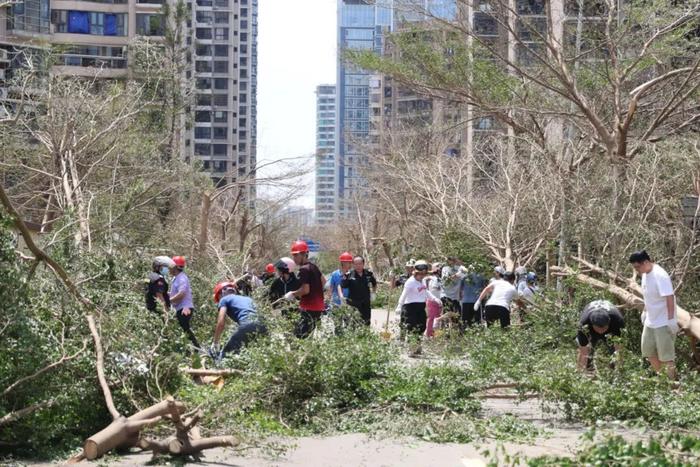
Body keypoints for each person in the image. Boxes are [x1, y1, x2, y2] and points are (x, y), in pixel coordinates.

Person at [630, 250, 679, 379]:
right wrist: (645, 311)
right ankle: (662, 379)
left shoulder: (660, 275)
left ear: (646, 262)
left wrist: (671, 320)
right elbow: (648, 296)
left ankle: (672, 385)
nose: (637, 270)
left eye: (637, 267)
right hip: (651, 321)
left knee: (666, 356)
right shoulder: (645, 274)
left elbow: (669, 297)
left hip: (663, 321)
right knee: (648, 351)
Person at [210, 281, 267, 364]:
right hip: (264, 325)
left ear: (221, 293)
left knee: (226, 356)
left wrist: (215, 342)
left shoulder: (224, 299)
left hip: (248, 324)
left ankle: (218, 370)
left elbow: (221, 322)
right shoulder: (248, 298)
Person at [283, 240, 326, 338]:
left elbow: (305, 290)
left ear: (304, 255)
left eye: (296, 255)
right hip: (318, 307)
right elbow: (323, 282)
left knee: (299, 337)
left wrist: (292, 294)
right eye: (293, 256)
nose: (294, 258)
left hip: (309, 308)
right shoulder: (313, 267)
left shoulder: (304, 269)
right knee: (308, 337)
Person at [575, 300, 625, 371]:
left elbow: (619, 350)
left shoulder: (617, 321)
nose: (601, 331)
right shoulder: (584, 324)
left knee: (614, 352)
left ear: (609, 322)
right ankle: (589, 370)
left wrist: (619, 372)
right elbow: (583, 352)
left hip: (610, 332)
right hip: (591, 330)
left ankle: (613, 371)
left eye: (604, 328)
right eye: (598, 328)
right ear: (592, 325)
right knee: (588, 353)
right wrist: (580, 375)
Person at [168, 256, 201, 350]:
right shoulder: (176, 278)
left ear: (175, 267)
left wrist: (169, 300)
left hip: (184, 308)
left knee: (185, 328)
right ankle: (194, 348)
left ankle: (197, 348)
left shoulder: (181, 278)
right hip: (180, 308)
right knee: (184, 328)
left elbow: (181, 294)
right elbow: (175, 293)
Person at [395, 260, 430, 347]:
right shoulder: (410, 281)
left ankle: (417, 345)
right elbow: (404, 294)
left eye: (424, 272)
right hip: (410, 306)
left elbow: (426, 292)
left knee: (422, 326)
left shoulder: (423, 280)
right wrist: (399, 306)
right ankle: (411, 346)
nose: (422, 274)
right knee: (411, 326)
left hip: (421, 306)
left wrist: (434, 299)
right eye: (421, 272)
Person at [341, 256, 377, 326]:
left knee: (366, 322)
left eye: (360, 264)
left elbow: (374, 284)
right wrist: (345, 278)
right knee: (353, 323)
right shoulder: (349, 275)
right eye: (356, 264)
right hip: (353, 304)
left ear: (363, 264)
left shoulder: (368, 274)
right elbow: (343, 286)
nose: (358, 266)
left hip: (365, 303)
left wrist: (373, 293)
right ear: (353, 265)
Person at [424, 263, 443, 338]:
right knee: (432, 318)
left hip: (439, 300)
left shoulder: (440, 279)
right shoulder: (429, 279)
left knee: (438, 318)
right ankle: (428, 334)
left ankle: (434, 335)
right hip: (432, 300)